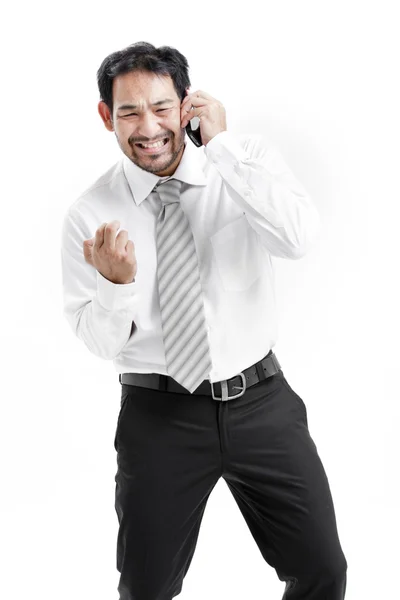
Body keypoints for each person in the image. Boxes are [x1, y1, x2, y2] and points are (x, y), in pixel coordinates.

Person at [60, 41, 348, 600]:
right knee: (146, 589)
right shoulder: (90, 215)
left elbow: (296, 239)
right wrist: (115, 286)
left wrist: (220, 147)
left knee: (322, 569)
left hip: (262, 404)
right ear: (106, 117)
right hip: (158, 416)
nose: (148, 127)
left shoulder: (243, 161)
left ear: (187, 104)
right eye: (129, 112)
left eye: (161, 107)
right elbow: (98, 341)